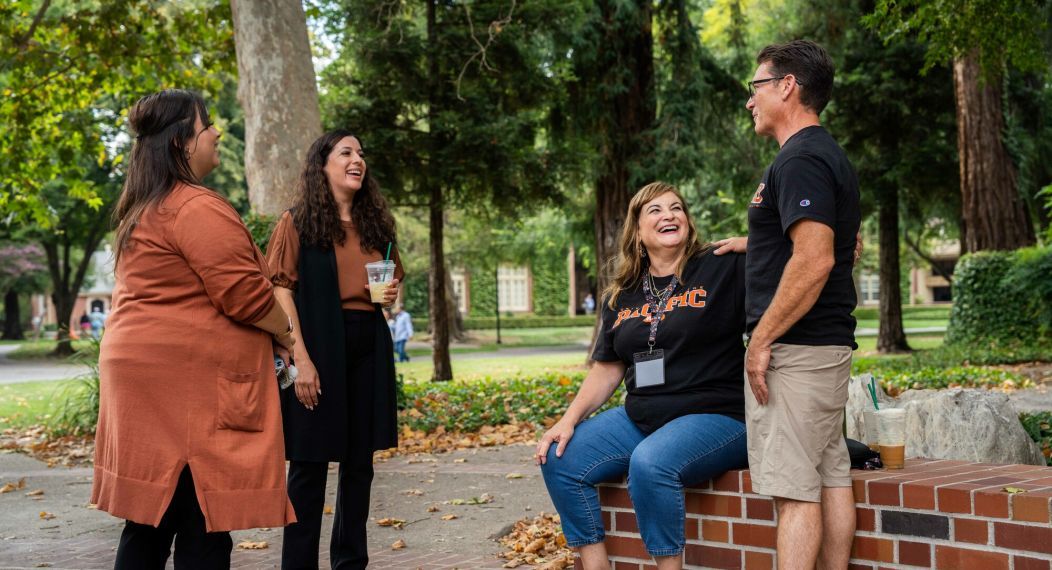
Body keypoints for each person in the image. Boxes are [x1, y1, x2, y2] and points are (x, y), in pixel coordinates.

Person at [92, 89, 297, 569]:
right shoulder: (194, 207)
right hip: (183, 390)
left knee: (151, 522)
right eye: (208, 126)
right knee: (202, 526)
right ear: (184, 141)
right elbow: (246, 296)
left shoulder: (145, 206)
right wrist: (288, 335)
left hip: (151, 383)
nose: (217, 133)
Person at [536, 182, 748, 570]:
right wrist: (567, 421)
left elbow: (794, 251)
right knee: (559, 458)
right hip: (643, 417)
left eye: (676, 207)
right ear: (637, 231)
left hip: (718, 415)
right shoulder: (623, 294)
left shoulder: (721, 264)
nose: (669, 215)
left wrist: (754, 242)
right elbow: (607, 367)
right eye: (655, 210)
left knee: (650, 464)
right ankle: (596, 564)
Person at [742, 40, 861, 568]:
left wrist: (761, 341)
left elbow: (815, 260)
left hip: (797, 351)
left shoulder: (802, 158)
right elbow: (823, 241)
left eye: (756, 86)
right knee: (828, 475)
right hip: (825, 347)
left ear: (786, 86)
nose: (750, 100)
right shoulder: (821, 154)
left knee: (794, 493)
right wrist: (751, 243)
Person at [266, 129, 403, 570]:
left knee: (359, 465)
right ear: (322, 164)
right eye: (346, 152)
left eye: (361, 153)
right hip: (318, 345)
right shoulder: (298, 223)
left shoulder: (377, 226)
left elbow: (391, 289)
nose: (357, 159)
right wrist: (299, 357)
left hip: (368, 343)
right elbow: (280, 290)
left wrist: (388, 294)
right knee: (307, 467)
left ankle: (350, 563)